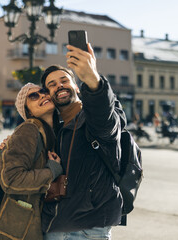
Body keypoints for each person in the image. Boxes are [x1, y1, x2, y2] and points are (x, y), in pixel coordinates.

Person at [40, 43, 124, 239]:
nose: (58, 85)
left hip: (88, 227)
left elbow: (105, 118)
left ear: (76, 86)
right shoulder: (56, 130)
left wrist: (93, 80)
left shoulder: (93, 118)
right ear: (49, 96)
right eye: (51, 85)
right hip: (54, 226)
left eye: (64, 80)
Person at [0, 83, 63, 240]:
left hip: (28, 225)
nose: (42, 95)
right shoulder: (29, 129)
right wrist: (51, 171)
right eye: (33, 96)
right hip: (12, 229)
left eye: (43, 91)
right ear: (28, 111)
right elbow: (10, 179)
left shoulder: (53, 133)